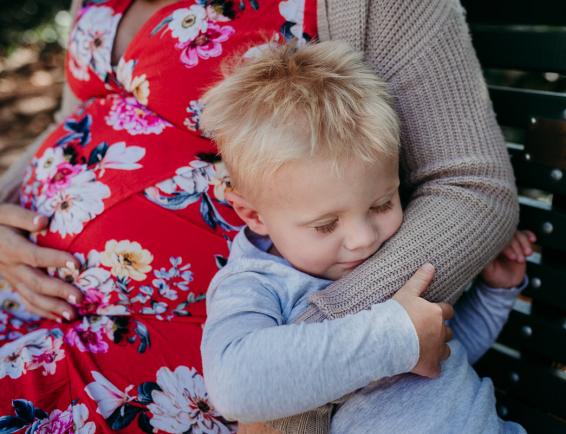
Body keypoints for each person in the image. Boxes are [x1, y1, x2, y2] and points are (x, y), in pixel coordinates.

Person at [0, 0, 518, 432]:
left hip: (146, 352)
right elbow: (76, 120)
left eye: (382, 206)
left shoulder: (269, 293)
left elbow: (471, 188)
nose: (362, 237)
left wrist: (324, 339)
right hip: (30, 301)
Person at [199, 41, 531, 434]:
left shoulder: (394, 253)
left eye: (381, 204)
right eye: (325, 225)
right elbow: (234, 385)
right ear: (253, 215)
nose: (363, 239)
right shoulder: (255, 286)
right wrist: (395, 338)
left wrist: (494, 295)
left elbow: (443, 354)